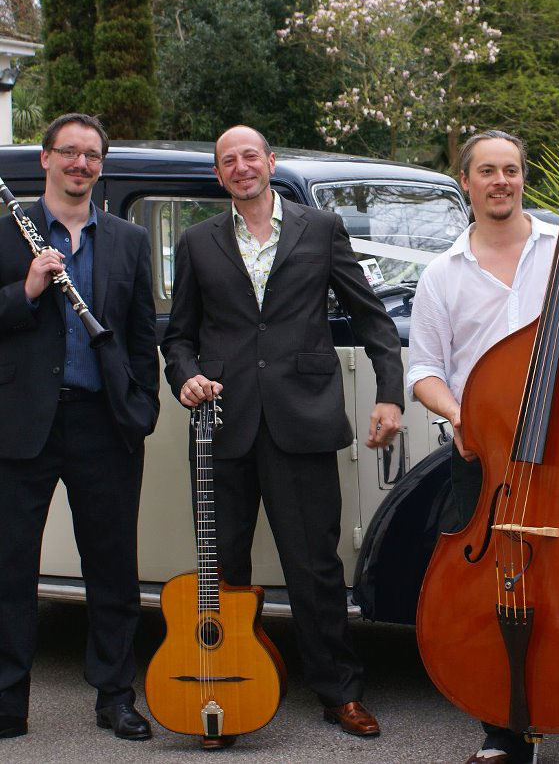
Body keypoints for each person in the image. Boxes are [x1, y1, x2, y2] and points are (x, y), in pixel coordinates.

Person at [407, 129, 559, 764]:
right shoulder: (442, 274)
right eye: (487, 171)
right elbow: (423, 369)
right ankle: (504, 732)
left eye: (510, 170)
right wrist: (459, 413)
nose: (501, 182)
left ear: (523, 177)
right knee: (493, 590)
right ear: (466, 181)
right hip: (486, 460)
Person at [161, 124, 403, 739]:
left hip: (304, 419)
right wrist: (185, 376)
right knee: (223, 567)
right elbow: (179, 336)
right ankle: (226, 689)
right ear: (218, 174)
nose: (241, 167)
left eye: (250, 156)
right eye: (228, 160)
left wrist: (389, 394)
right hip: (222, 424)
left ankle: (339, 692)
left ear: (269, 162)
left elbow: (372, 319)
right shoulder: (196, 242)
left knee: (314, 565)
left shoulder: (320, 229)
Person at [0, 113, 160, 742]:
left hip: (104, 421)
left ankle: (115, 697)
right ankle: (8, 702)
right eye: (68, 152)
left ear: (100, 166)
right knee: (10, 568)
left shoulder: (127, 239)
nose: (80, 164)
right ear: (45, 159)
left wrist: (142, 407)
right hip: (21, 422)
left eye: (91, 155)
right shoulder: (7, 232)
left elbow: (141, 332)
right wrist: (27, 289)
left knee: (112, 568)